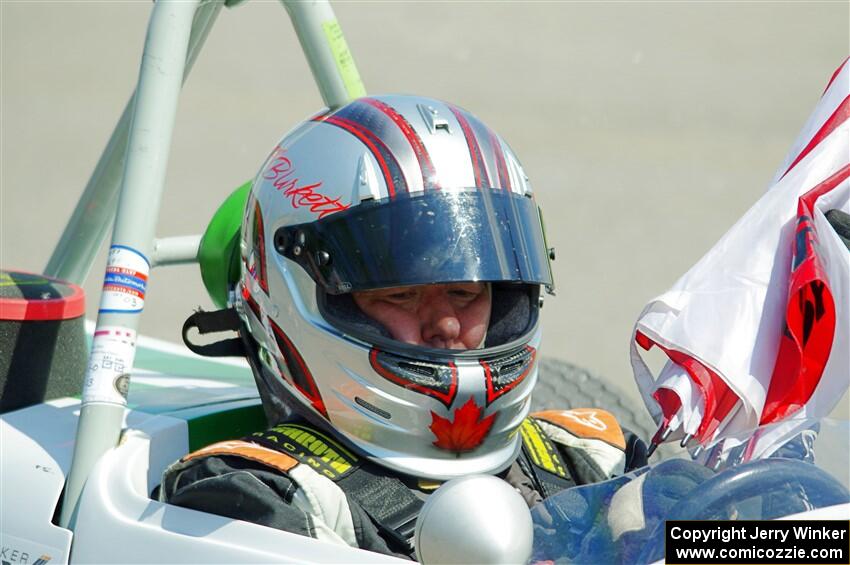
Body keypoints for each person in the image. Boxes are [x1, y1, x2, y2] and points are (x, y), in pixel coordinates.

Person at [160, 95, 647, 558]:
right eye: (400, 295)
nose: (447, 323)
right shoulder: (250, 500)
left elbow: (712, 537)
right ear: (298, 297)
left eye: (467, 291)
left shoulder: (589, 455)